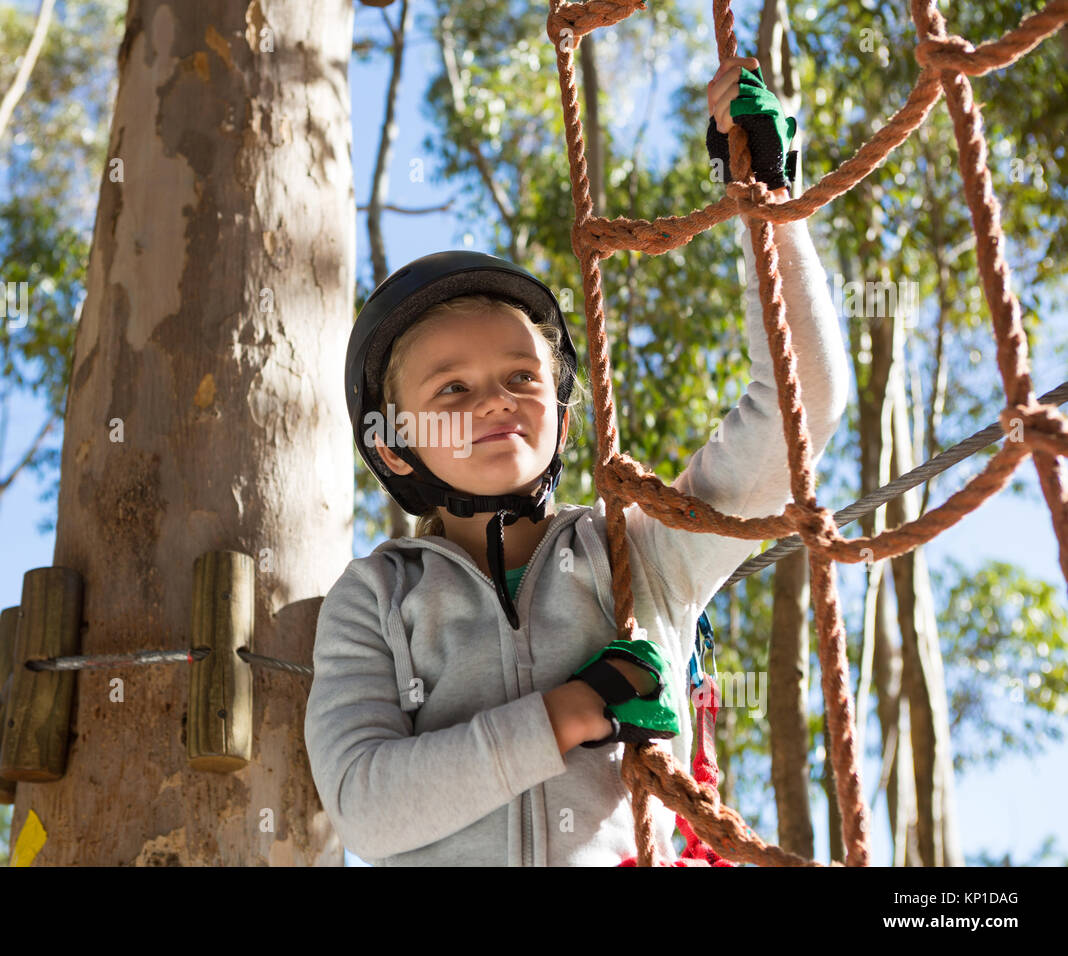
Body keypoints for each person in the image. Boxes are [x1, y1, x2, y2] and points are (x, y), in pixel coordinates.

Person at [305, 56, 848, 865]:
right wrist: (569, 713)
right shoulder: (376, 599)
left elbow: (802, 409)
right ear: (391, 442)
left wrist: (769, 207)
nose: (495, 401)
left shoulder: (642, 553)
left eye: (521, 377)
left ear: (561, 415)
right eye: (452, 388)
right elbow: (366, 807)